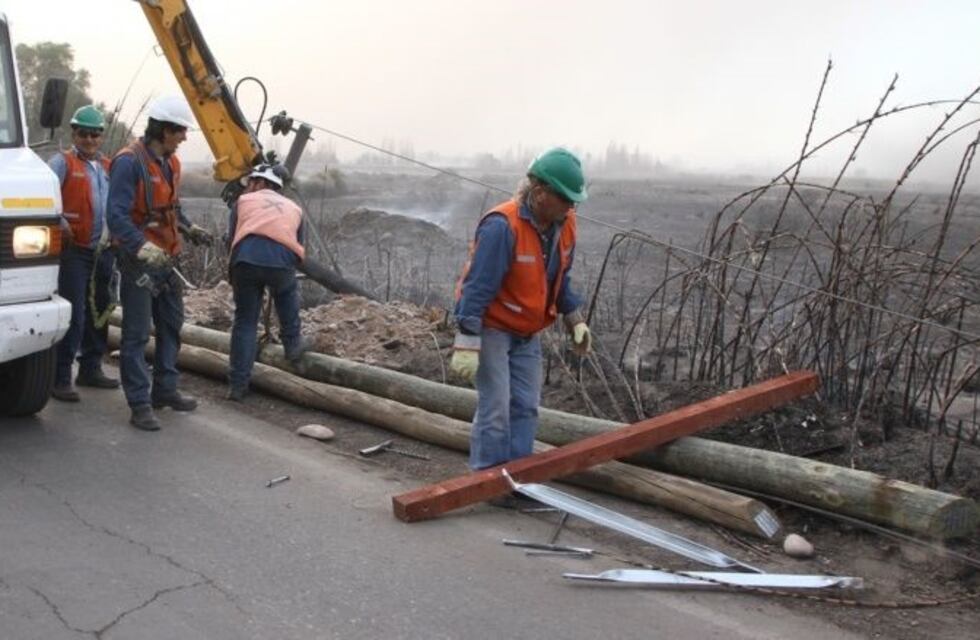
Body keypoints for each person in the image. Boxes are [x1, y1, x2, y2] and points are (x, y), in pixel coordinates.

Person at [451, 147, 593, 477]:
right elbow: (476, 289)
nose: (572, 207)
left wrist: (575, 320)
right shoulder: (502, 227)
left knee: (526, 407)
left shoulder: (566, 224)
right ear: (540, 192)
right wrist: (467, 344)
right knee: (496, 407)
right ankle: (488, 479)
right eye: (566, 198)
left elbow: (559, 277)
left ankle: (519, 481)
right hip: (493, 329)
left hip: (528, 333)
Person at [106, 95, 212, 431]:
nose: (184, 137)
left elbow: (172, 208)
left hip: (167, 259)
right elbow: (116, 215)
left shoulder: (172, 164)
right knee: (136, 334)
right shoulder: (128, 162)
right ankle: (139, 403)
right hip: (140, 261)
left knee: (170, 326)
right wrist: (141, 247)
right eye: (180, 131)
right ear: (164, 130)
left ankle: (164, 391)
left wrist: (189, 227)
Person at [49, 105, 119, 401]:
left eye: (95, 134)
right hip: (74, 252)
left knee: (99, 312)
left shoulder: (107, 166)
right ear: (74, 133)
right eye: (84, 134)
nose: (89, 140)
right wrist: (60, 221)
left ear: (101, 136)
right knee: (75, 314)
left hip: (103, 251)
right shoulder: (61, 163)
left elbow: (118, 206)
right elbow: (45, 199)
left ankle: (91, 368)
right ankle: (60, 377)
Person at [225, 164, 308, 401]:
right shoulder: (295, 209)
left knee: (245, 322)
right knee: (287, 293)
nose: (248, 187)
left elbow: (232, 238)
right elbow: (298, 246)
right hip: (281, 260)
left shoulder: (242, 202)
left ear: (261, 183)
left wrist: (236, 269)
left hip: (245, 259)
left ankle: (238, 385)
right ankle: (292, 345)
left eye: (252, 182)